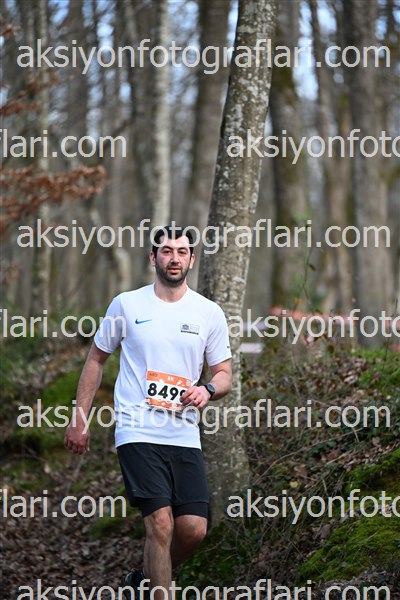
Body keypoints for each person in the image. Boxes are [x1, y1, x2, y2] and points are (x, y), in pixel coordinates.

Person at [64, 225, 232, 599]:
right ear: (153, 257)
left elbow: (224, 375)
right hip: (137, 428)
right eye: (166, 251)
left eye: (182, 252)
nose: (174, 258)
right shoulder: (127, 305)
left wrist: (206, 389)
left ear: (192, 259)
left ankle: (143, 580)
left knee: (193, 530)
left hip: (184, 432)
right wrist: (80, 418)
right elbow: (96, 359)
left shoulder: (208, 312)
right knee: (160, 523)